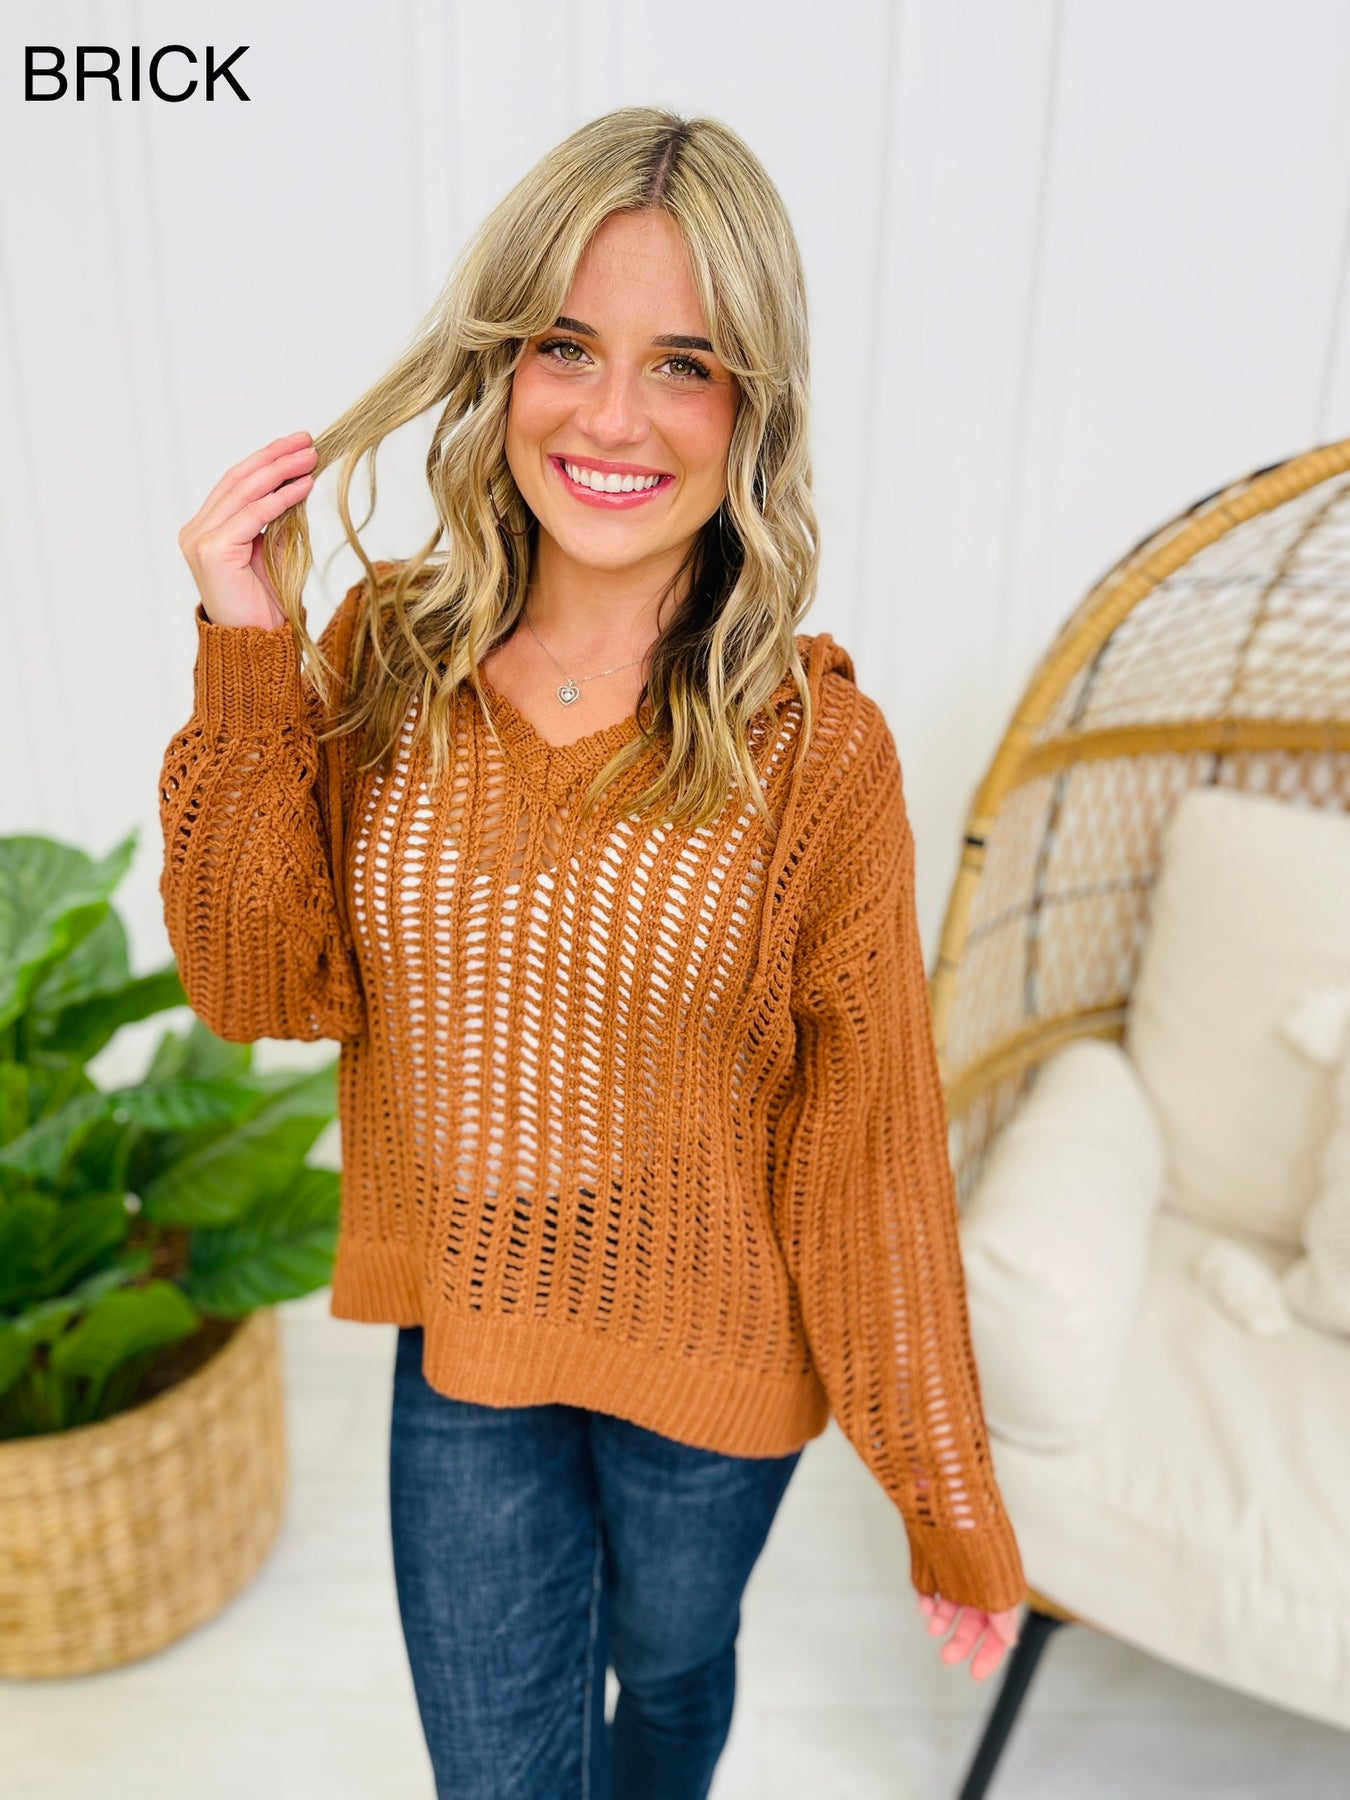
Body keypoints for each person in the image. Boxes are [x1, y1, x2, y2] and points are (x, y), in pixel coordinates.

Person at [160, 105, 1025, 1800]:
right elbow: (256, 988)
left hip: (714, 1360)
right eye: (565, 346)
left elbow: (865, 1149)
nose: (613, 416)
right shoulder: (390, 656)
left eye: (682, 365)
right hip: (468, 1333)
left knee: (671, 1672)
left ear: (749, 411)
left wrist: (947, 1496)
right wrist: (247, 649)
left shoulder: (814, 755)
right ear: (499, 365)